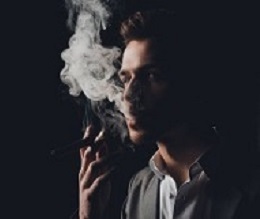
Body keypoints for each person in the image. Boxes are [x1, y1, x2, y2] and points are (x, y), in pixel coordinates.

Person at [76, 9, 260, 219]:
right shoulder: (139, 189)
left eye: (151, 75)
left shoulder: (250, 184)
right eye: (126, 79)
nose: (129, 95)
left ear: (188, 82)